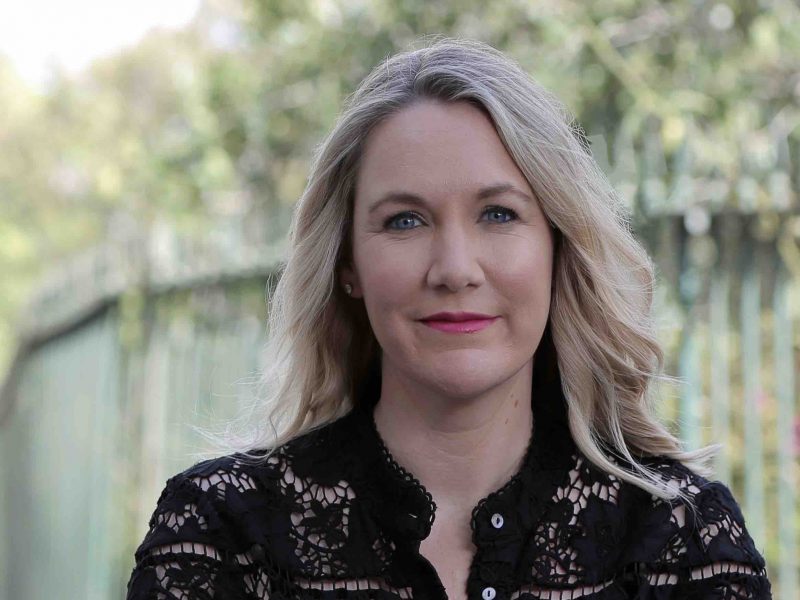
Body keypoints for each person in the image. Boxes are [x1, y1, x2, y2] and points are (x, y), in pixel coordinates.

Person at [125, 37, 772, 599]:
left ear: (558, 246)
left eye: (499, 214)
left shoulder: (682, 539)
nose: (455, 269)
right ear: (347, 263)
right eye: (405, 220)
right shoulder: (222, 533)